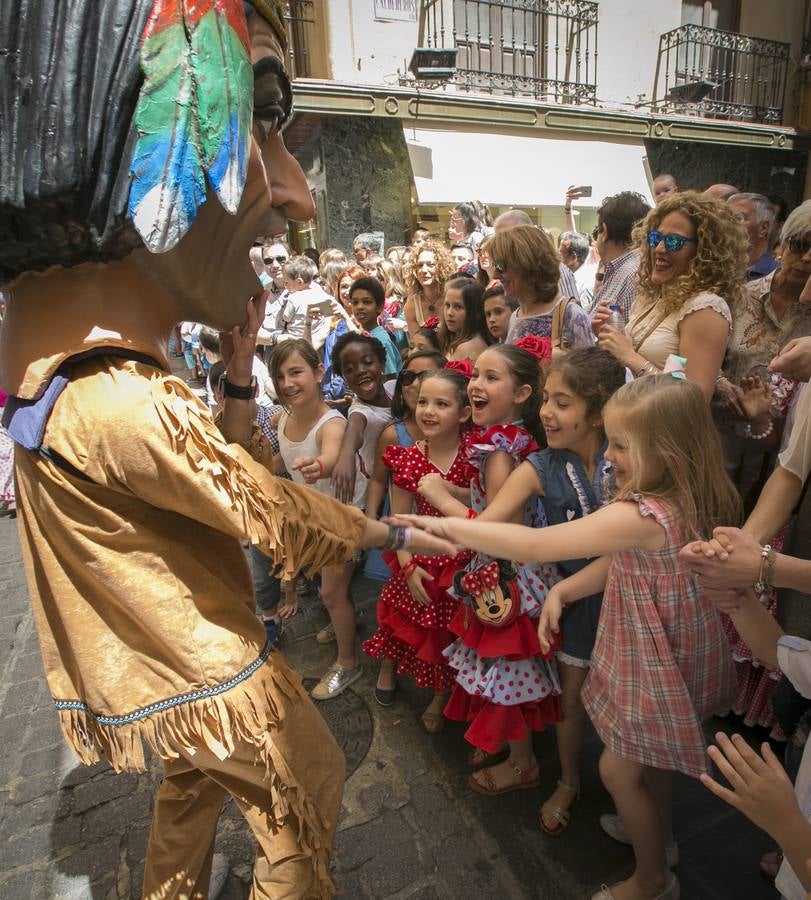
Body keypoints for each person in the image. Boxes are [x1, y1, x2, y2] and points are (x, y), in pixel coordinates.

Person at [0, 3, 453, 896]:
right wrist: (394, 538)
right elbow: (267, 511)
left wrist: (240, 378)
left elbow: (212, 472)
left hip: (171, 674)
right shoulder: (116, 396)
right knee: (304, 781)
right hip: (208, 666)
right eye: (260, 120)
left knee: (189, 792)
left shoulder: (71, 379)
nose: (298, 193)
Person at [397, 373, 741, 900]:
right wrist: (563, 593)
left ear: (665, 449)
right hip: (678, 649)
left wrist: (442, 527)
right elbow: (616, 563)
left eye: (623, 445)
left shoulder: (641, 512)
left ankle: (652, 880)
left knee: (615, 769)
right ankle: (658, 837)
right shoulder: (690, 495)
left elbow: (541, 546)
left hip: (654, 661)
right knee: (653, 763)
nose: (611, 456)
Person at [468, 347, 626, 834]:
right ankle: (571, 780)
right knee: (572, 698)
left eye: (562, 403)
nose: (546, 413)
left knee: (625, 702)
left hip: (633, 604)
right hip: (576, 607)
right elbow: (491, 524)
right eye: (546, 401)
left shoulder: (626, 460)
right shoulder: (541, 466)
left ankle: (635, 790)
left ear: (598, 412)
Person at [416, 344, 563, 796]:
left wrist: (441, 501)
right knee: (499, 673)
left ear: (522, 393)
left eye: (491, 378)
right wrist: (458, 491)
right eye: (475, 375)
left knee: (508, 675)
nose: (476, 384)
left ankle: (524, 764)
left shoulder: (500, 453)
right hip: (499, 571)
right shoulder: (501, 442)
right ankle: (509, 748)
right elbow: (491, 502)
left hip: (508, 579)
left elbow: (500, 529)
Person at [363, 367, 474, 730]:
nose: (428, 411)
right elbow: (399, 519)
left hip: (465, 561)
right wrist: (408, 568)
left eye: (442, 404)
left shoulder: (477, 455)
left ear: (464, 412)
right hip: (421, 558)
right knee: (407, 622)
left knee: (446, 634)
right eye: (423, 401)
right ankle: (389, 664)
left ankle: (441, 692)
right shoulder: (408, 458)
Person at [269, 340, 366, 701]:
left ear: (319, 372)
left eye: (296, 372)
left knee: (331, 592)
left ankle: (348, 662)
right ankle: (344, 620)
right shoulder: (285, 417)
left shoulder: (332, 422)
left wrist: (319, 466)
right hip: (314, 518)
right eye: (280, 376)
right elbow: (282, 458)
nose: (288, 383)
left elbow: (329, 454)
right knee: (328, 588)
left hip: (341, 520)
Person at [598, 191, 748, 401]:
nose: (659, 248)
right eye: (655, 238)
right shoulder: (654, 294)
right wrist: (612, 334)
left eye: (674, 242)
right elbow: (670, 370)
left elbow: (692, 398)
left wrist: (629, 356)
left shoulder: (705, 308)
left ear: (703, 252)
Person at [714, 201, 811, 497]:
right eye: (800, 245)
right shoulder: (738, 295)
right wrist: (723, 386)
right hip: (718, 436)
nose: (806, 258)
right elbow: (694, 351)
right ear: (781, 244)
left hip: (779, 458)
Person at [490, 225, 592, 350]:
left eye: (501, 266)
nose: (495, 275)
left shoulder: (572, 315)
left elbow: (591, 368)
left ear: (526, 265)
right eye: (494, 265)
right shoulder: (516, 315)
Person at [330, 333, 393, 509]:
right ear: (343, 378)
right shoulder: (360, 412)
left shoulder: (393, 388)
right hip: (373, 500)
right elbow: (354, 429)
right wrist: (346, 454)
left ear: (381, 363)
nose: (360, 370)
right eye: (349, 369)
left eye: (367, 362)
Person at [589, 191, 651, 325]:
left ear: (604, 232)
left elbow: (625, 340)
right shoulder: (627, 269)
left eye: (596, 232)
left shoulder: (632, 275)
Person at [494, 209, 580, 302]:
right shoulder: (510, 269)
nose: (501, 243)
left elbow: (569, 311)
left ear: (528, 234)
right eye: (497, 239)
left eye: (507, 237)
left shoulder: (553, 270)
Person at [347, 276, 403, 377]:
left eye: (367, 302)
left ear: (379, 307)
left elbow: (390, 378)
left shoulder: (381, 340)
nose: (360, 307)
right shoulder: (360, 335)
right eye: (355, 302)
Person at [403, 238, 456, 339]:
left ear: (441, 267)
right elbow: (418, 344)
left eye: (430, 265)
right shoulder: (411, 306)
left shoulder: (453, 298)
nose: (424, 270)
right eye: (419, 265)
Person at [437, 276, 494, 363]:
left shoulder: (468, 347)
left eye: (458, 307)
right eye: (447, 305)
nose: (449, 313)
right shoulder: (457, 340)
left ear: (475, 311)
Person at [728, 192, 779, 281]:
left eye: (738, 218)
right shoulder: (717, 269)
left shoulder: (775, 276)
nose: (727, 224)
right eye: (725, 218)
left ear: (763, 228)